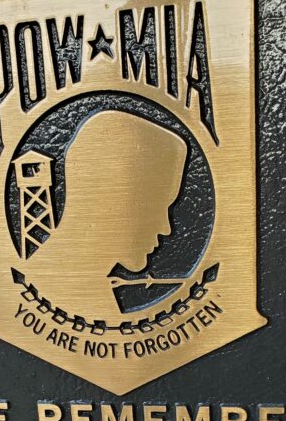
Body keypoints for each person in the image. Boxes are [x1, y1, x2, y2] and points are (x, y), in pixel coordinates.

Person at [23, 110, 187, 322]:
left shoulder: (81, 291)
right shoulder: (59, 289)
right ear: (113, 200)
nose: (167, 228)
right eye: (157, 208)